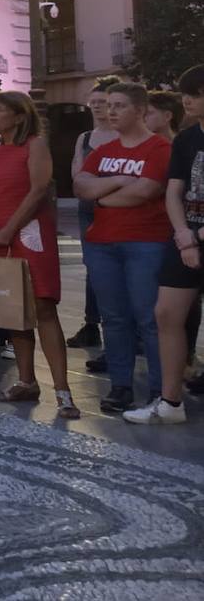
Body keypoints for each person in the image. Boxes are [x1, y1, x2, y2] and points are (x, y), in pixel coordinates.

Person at [0, 91, 79, 415]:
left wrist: (7, 229)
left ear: (18, 115)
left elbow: (38, 190)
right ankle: (27, 381)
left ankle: (63, 390)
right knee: (13, 307)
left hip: (28, 234)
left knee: (42, 307)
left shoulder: (35, 146)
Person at [74, 82, 171, 415]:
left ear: (140, 110)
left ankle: (161, 390)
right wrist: (116, 183)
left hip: (146, 242)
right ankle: (120, 386)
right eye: (108, 105)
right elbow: (81, 186)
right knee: (113, 318)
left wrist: (102, 194)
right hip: (103, 243)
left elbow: (145, 191)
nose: (110, 111)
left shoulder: (159, 148)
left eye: (119, 106)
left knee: (149, 318)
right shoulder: (103, 150)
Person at [134, 66, 204, 425]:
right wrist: (184, 235)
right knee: (166, 313)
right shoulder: (188, 138)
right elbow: (174, 190)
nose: (188, 99)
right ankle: (170, 402)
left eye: (196, 92)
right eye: (186, 92)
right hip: (185, 237)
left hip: (197, 237)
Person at [67, 76, 120, 350]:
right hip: (88, 211)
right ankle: (91, 324)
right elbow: (77, 176)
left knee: (120, 269)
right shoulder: (85, 138)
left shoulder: (123, 136)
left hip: (118, 211)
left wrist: (95, 183)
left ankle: (124, 329)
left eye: (103, 102)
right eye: (94, 103)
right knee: (93, 268)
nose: (98, 107)